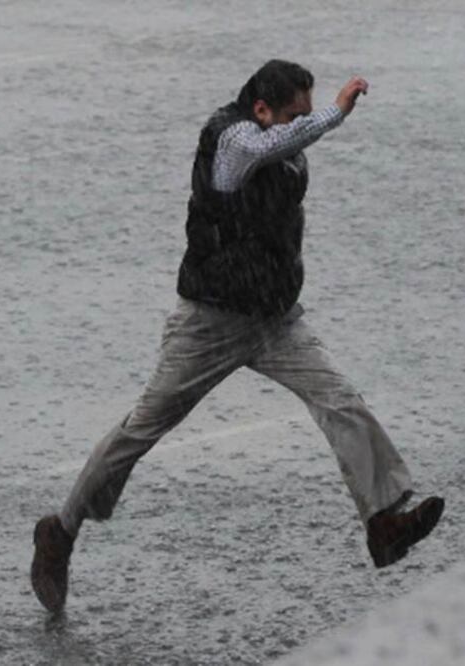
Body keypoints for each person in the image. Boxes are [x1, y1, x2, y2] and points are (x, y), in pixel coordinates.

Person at [30, 60, 444, 614]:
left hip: (276, 319)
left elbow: (286, 161)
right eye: (292, 115)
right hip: (210, 324)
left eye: (307, 109)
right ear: (261, 110)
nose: (300, 125)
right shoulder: (231, 143)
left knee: (341, 401)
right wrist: (336, 113)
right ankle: (61, 531)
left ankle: (383, 521)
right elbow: (272, 145)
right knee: (142, 430)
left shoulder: (280, 143)